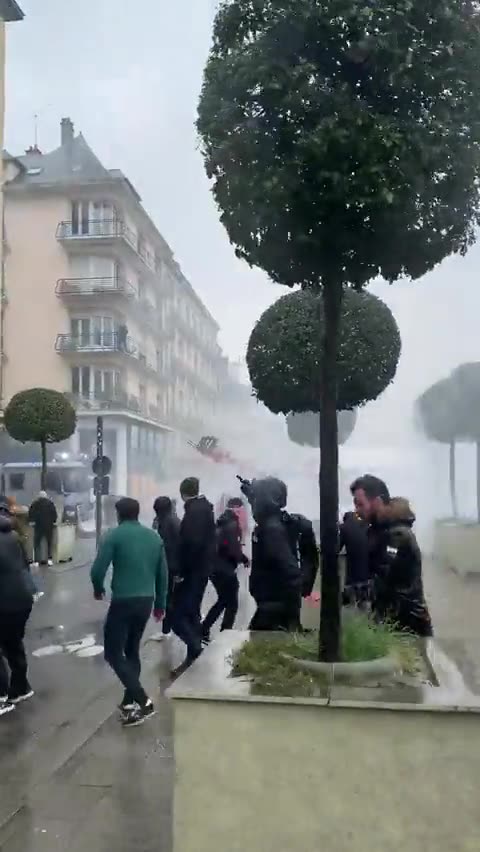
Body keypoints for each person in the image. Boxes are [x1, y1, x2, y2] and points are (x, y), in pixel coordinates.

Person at [90, 497, 168, 728]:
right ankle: (128, 701)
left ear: (118, 514)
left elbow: (97, 569)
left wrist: (98, 588)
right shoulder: (154, 537)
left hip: (123, 600)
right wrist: (160, 604)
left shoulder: (114, 535)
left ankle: (143, 701)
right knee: (131, 649)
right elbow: (162, 574)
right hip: (146, 601)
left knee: (113, 654)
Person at [350, 475, 433, 636]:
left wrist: (345, 595)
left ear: (378, 502)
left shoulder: (397, 535)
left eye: (360, 504)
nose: (357, 510)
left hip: (408, 626)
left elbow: (382, 579)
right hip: (392, 620)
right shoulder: (379, 530)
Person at [171, 477, 215, 672]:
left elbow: (191, 543)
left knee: (177, 615)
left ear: (182, 493)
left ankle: (195, 648)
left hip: (192, 572)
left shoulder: (194, 512)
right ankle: (193, 654)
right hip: (201, 569)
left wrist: (181, 571)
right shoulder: (203, 509)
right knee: (192, 612)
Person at [248, 477, 302, 631]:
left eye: (256, 497)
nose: (254, 503)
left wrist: (291, 616)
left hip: (273, 610)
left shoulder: (271, 530)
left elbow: (291, 572)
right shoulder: (273, 523)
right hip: (272, 605)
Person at [0, 497, 35, 712]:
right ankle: (21, 687)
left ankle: (1, 696)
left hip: (4, 601)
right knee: (12, 644)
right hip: (22, 599)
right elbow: (24, 566)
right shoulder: (12, 536)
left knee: (7, 645)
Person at [201, 499, 249, 642]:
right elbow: (232, 547)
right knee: (232, 604)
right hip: (224, 570)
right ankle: (225, 635)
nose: (241, 513)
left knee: (223, 600)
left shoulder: (222, 523)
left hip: (215, 569)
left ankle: (204, 629)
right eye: (239, 510)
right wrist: (244, 559)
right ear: (234, 509)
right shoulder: (232, 525)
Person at [153, 496, 181, 638]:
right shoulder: (167, 520)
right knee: (167, 596)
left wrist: (178, 568)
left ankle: (168, 630)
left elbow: (177, 545)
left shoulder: (170, 522)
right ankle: (167, 629)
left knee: (169, 597)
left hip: (172, 565)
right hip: (169, 564)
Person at [339, 510, 369, 607]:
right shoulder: (366, 526)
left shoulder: (344, 528)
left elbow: (337, 547)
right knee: (364, 601)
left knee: (350, 601)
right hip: (367, 570)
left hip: (352, 572)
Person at [29, 491, 57, 567]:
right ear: (46, 496)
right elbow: (54, 514)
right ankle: (49, 559)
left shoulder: (35, 503)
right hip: (48, 526)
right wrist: (53, 521)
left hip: (38, 526)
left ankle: (37, 561)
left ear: (39, 496)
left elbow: (31, 513)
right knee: (49, 543)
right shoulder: (50, 503)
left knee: (37, 544)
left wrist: (32, 521)